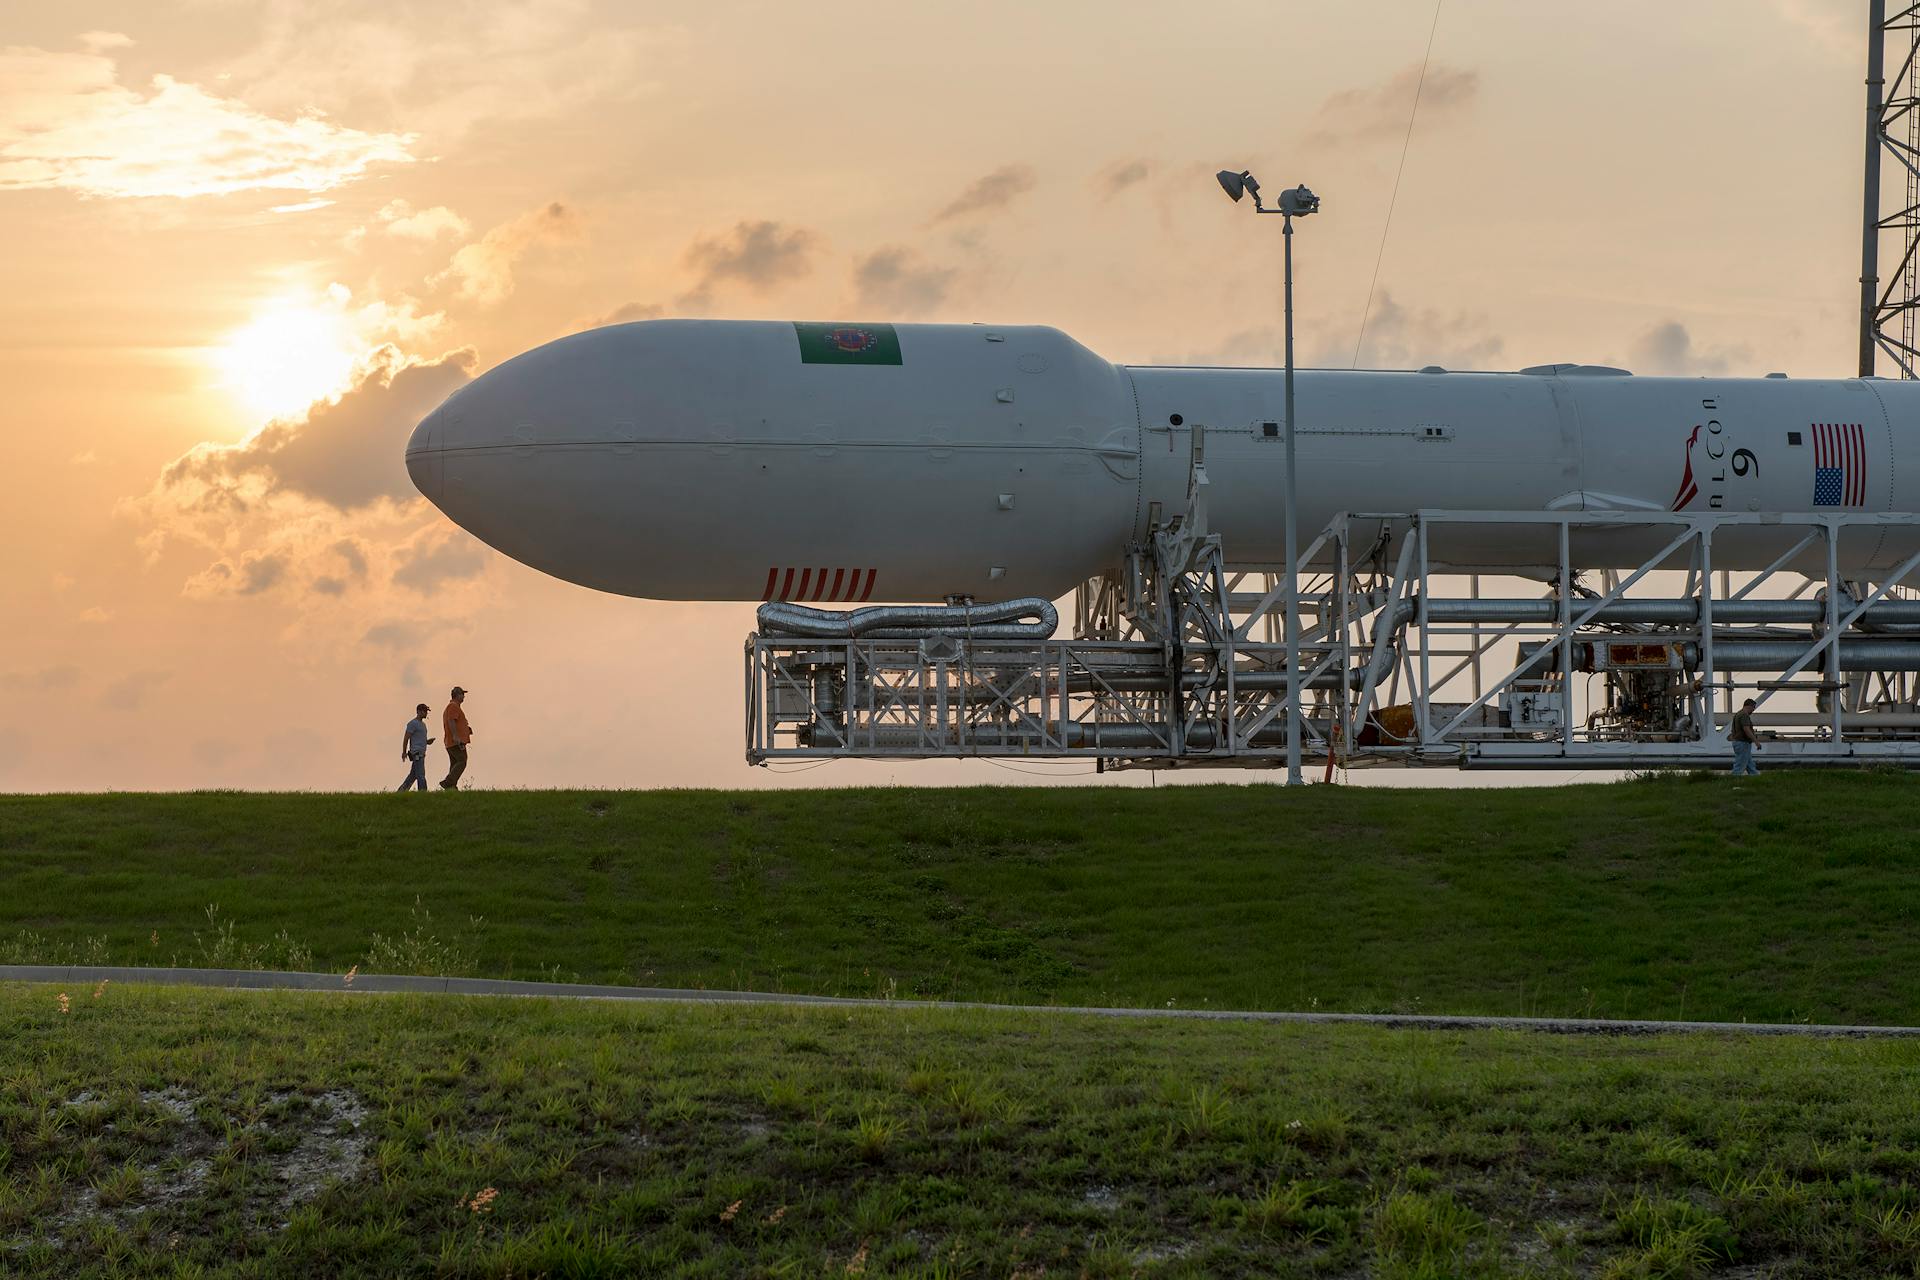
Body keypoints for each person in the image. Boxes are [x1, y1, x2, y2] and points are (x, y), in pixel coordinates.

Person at [441, 686, 473, 790]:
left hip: (451, 741)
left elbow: (455, 721)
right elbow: (451, 720)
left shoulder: (453, 707)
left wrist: (466, 729)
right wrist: (456, 736)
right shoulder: (453, 706)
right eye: (462, 694)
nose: (464, 696)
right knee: (462, 761)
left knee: (455, 763)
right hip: (455, 742)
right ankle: (448, 782)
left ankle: (451, 787)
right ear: (457, 695)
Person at [397, 703, 435, 792]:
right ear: (418, 711)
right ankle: (423, 792)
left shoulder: (423, 725)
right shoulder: (412, 723)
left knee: (413, 775)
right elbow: (406, 738)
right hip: (416, 754)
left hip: (421, 753)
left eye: (426, 711)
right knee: (421, 775)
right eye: (424, 711)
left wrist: (427, 742)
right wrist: (404, 752)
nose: (426, 713)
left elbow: (419, 739)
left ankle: (401, 791)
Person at [1729, 697, 1759, 777]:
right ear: (1749, 706)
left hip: (1738, 742)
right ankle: (1734, 778)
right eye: (1753, 708)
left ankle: (1755, 777)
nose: (1753, 710)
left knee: (1750, 764)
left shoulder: (1738, 714)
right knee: (1740, 764)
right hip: (1743, 743)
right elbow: (1746, 729)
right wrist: (1756, 742)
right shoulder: (1744, 715)